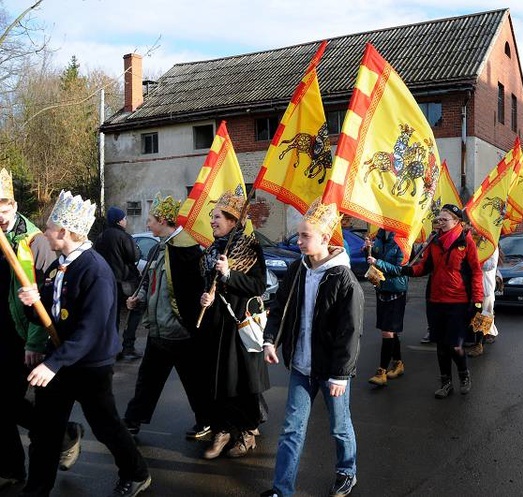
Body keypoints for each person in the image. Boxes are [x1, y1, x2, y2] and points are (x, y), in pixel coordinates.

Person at [17, 190, 150, 497]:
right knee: (46, 430)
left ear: (63, 232)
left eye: (49, 227)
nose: (44, 232)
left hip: (90, 366)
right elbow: (48, 315)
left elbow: (89, 330)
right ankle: (36, 489)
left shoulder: (95, 271)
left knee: (106, 426)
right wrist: (31, 303)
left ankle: (137, 472)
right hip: (61, 359)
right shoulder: (59, 266)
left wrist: (52, 364)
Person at [261, 197, 364, 497]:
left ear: (324, 238)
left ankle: (347, 471)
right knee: (291, 430)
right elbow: (280, 308)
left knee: (339, 426)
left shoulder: (343, 278)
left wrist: (341, 375)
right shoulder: (297, 270)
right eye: (299, 234)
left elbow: (350, 331)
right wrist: (271, 340)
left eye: (305, 235)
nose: (299, 240)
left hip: (330, 370)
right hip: (301, 367)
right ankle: (282, 489)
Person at [0, 170, 83, 491]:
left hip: (25, 338)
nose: (1, 219)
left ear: (15, 205)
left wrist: (35, 342)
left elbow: (45, 300)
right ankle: (11, 468)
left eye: (4, 211)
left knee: (8, 403)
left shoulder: (35, 241)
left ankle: (62, 433)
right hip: (2, 335)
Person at [122, 195, 211, 441]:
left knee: (192, 381)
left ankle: (206, 420)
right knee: (148, 379)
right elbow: (152, 280)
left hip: (179, 331)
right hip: (159, 329)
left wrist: (188, 324)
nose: (147, 225)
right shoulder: (163, 245)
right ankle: (132, 421)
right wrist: (138, 297)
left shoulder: (187, 250)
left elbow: (191, 292)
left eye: (150, 220)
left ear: (162, 221)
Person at [199, 190, 270, 460]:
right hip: (216, 326)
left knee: (241, 382)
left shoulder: (250, 247)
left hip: (239, 324)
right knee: (218, 382)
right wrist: (206, 295)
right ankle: (222, 430)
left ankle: (246, 432)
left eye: (217, 217)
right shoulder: (212, 249)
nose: (213, 221)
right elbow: (209, 283)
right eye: (213, 216)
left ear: (232, 220)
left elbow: (257, 285)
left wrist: (230, 275)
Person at [401, 204, 483, 399]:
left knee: (455, 345)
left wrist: (477, 299)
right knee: (441, 345)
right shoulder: (434, 241)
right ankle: (446, 382)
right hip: (436, 300)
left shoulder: (466, 242)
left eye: (445, 219)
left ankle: (464, 375)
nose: (440, 222)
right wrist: (406, 270)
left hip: (458, 301)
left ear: (456, 222)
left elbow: (476, 272)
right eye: (439, 219)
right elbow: (424, 267)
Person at [94, 206, 141, 360]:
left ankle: (111, 350)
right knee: (135, 310)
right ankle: (128, 346)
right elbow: (134, 256)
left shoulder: (100, 237)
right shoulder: (124, 237)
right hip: (125, 282)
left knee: (112, 316)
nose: (126, 221)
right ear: (119, 220)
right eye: (125, 218)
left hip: (106, 283)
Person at [364, 229, 409, 387]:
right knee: (390, 330)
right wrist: (367, 251)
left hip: (396, 290)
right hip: (381, 288)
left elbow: (399, 269)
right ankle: (398, 363)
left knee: (387, 330)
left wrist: (378, 262)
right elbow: (371, 262)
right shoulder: (379, 237)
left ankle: (381, 370)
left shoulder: (402, 241)